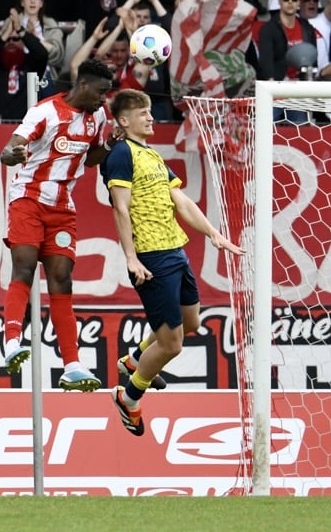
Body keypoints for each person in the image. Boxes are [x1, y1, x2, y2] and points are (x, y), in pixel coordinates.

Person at [102, 89, 243, 436]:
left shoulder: (150, 155)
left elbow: (181, 202)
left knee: (192, 321)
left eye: (150, 110)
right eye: (143, 112)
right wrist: (132, 259)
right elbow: (120, 208)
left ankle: (134, 359)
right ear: (124, 120)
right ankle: (129, 396)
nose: (151, 117)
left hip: (175, 250)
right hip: (151, 256)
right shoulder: (121, 154)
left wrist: (214, 233)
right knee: (172, 343)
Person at [0, 57, 116, 392]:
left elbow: (89, 158)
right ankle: (11, 343)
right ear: (82, 85)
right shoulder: (45, 112)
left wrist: (108, 145)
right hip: (28, 199)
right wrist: (12, 155)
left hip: (63, 206)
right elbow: (12, 147)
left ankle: (72, 366)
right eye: (100, 91)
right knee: (23, 266)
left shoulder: (98, 118)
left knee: (62, 280)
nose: (103, 99)